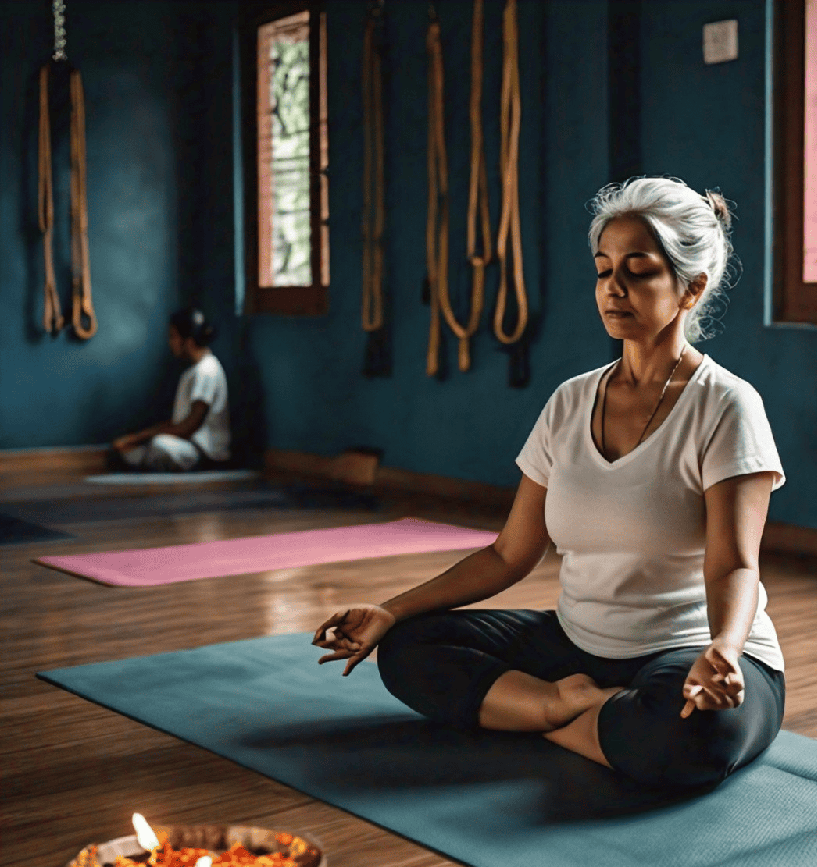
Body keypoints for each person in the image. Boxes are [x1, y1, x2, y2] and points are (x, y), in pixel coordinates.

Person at [313, 176, 786, 793]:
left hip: (691, 652)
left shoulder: (727, 405)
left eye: (638, 271)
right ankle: (567, 709)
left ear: (692, 288)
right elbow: (511, 553)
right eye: (603, 269)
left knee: (698, 735)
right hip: (577, 645)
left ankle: (544, 714)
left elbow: (734, 565)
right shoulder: (570, 402)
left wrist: (724, 646)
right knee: (407, 648)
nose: (613, 288)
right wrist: (390, 609)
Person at [111, 307, 231, 472]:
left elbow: (189, 427)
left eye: (173, 337)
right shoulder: (192, 373)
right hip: (185, 444)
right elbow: (177, 422)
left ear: (188, 341)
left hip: (203, 451)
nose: (170, 342)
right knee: (131, 451)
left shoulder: (207, 371)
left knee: (158, 445)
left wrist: (136, 439)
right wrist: (133, 441)